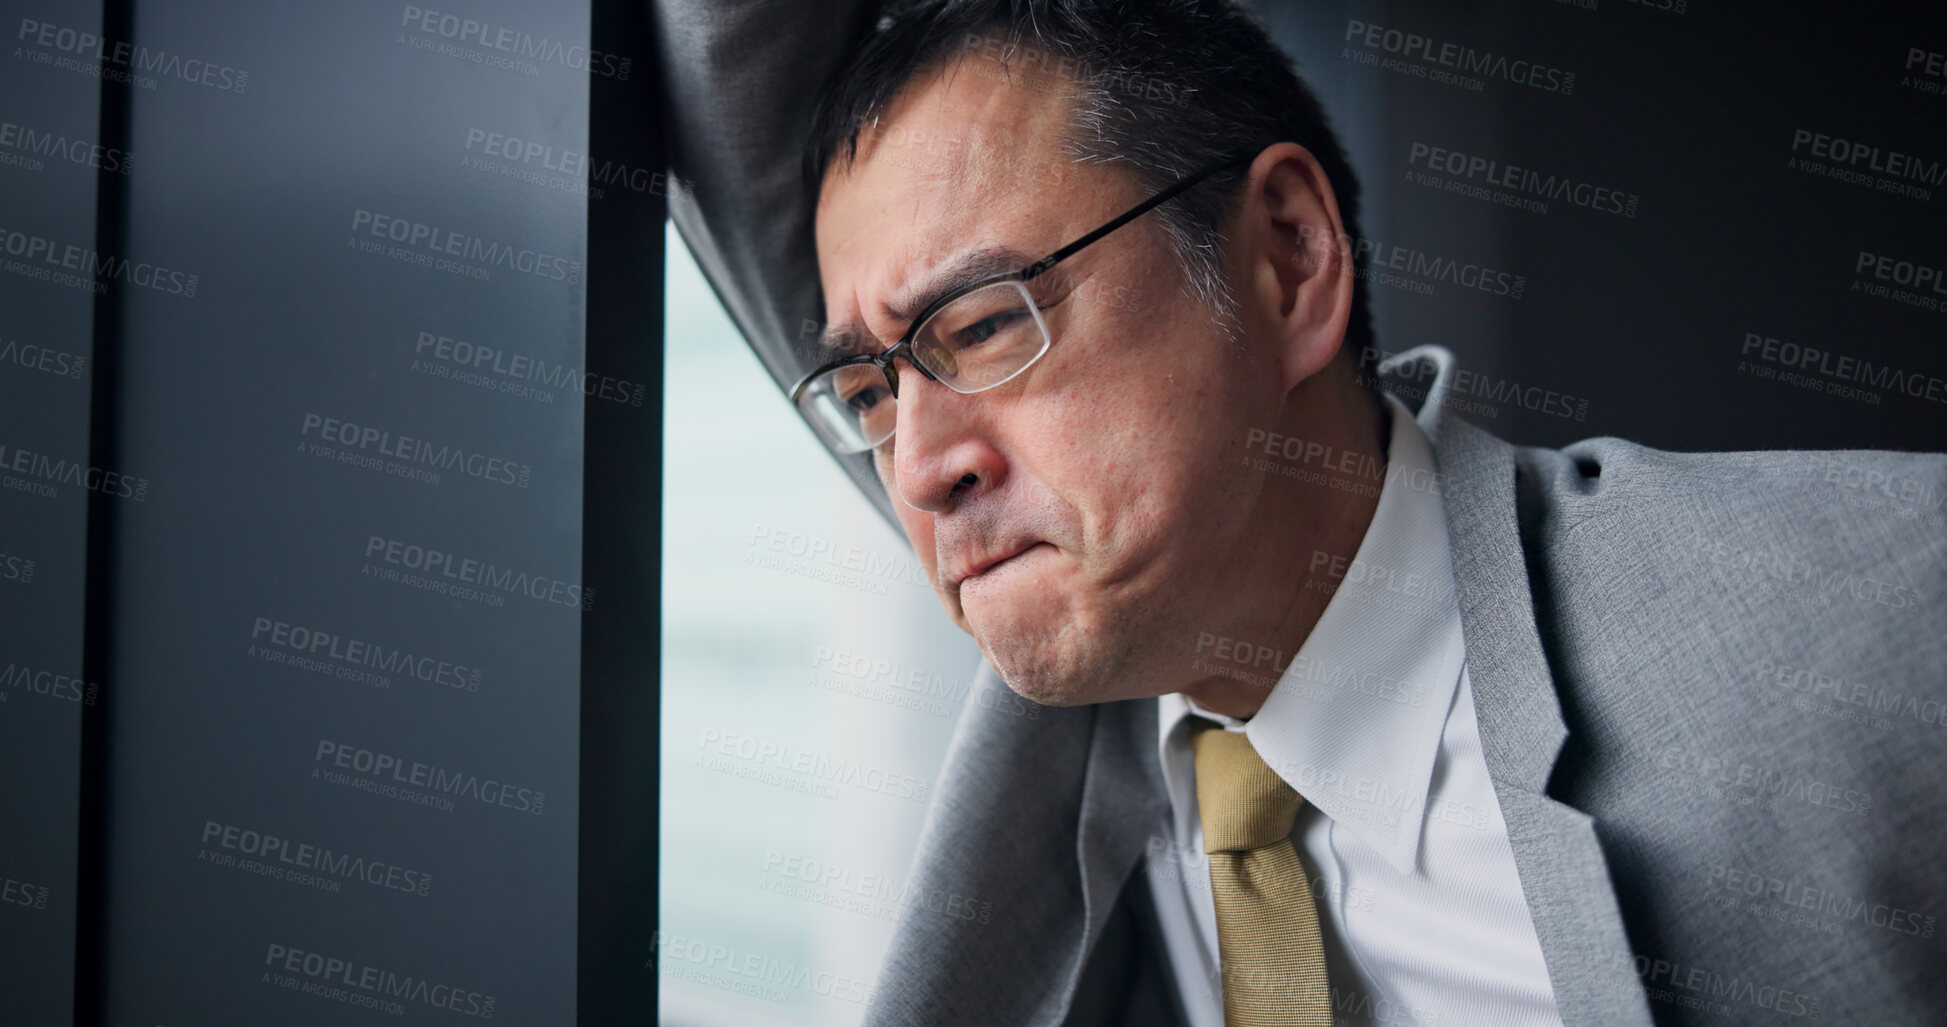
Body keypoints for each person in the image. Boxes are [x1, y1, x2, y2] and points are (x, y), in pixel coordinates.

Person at [671, 1, 1947, 1023]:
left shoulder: (1875, 615)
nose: (919, 466)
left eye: (990, 323)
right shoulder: (1060, 571)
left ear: (1286, 257)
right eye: (865, 389)